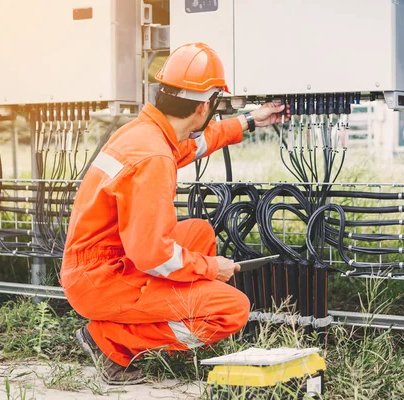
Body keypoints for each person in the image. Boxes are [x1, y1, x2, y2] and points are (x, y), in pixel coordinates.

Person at [60, 42, 286, 385]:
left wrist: (250, 121)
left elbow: (196, 143)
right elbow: (153, 255)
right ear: (204, 105)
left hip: (100, 264)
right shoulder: (154, 157)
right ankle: (112, 343)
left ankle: (149, 313)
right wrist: (212, 267)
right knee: (231, 310)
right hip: (101, 280)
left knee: (198, 233)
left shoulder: (146, 134)